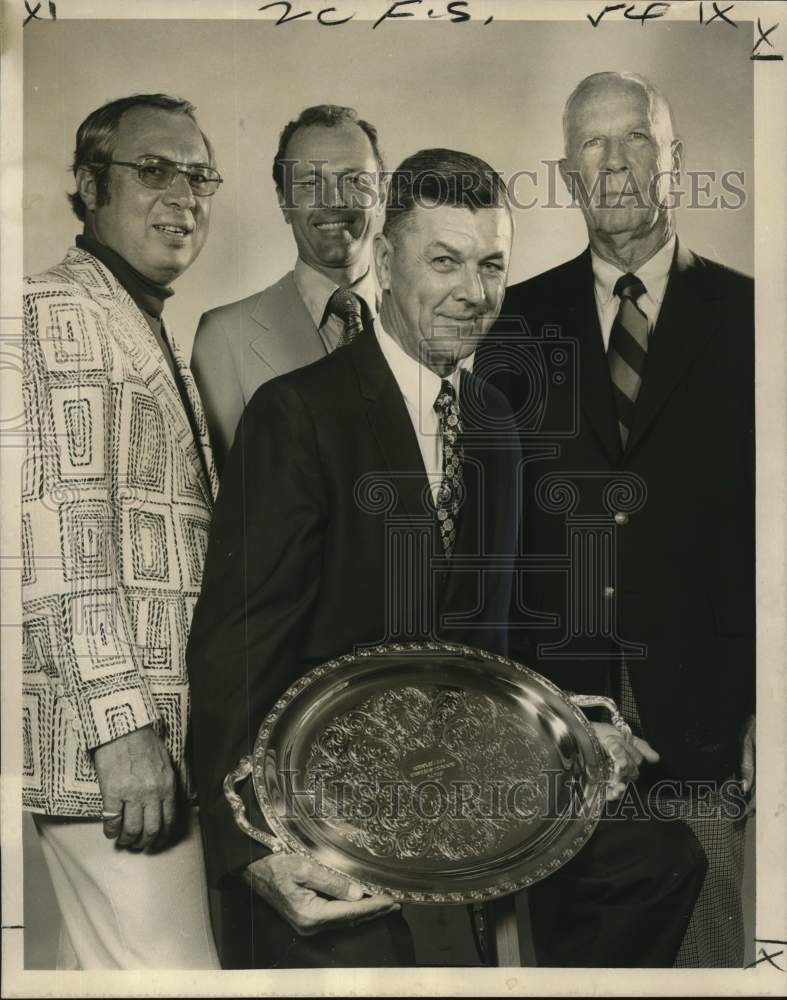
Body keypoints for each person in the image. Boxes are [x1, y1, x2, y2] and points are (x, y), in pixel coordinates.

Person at [187, 148, 705, 969]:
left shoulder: (495, 423)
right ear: (384, 264)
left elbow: (506, 643)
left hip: (472, 767)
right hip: (335, 785)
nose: (474, 292)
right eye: (444, 260)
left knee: (658, 863)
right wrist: (249, 845)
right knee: (370, 954)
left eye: (492, 264)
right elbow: (234, 649)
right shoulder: (299, 415)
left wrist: (584, 721)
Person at [480, 71, 754, 967]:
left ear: (674, 157)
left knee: (704, 942)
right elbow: (493, 530)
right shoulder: (511, 322)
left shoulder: (756, 314)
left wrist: (766, 706)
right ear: (566, 173)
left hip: (708, 704)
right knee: (579, 957)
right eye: (591, 144)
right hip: (561, 707)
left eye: (635, 136)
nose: (614, 162)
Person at [22, 93, 222, 969]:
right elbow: (52, 538)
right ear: (88, 186)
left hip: (149, 737)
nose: (182, 194)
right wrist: (122, 729)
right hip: (109, 742)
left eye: (199, 175)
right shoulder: (50, 308)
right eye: (153, 170)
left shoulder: (136, 315)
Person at [191, 103, 385, 473]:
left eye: (355, 180)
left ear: (382, 192)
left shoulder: (428, 324)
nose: (333, 200)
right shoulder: (225, 338)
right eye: (310, 183)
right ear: (283, 201)